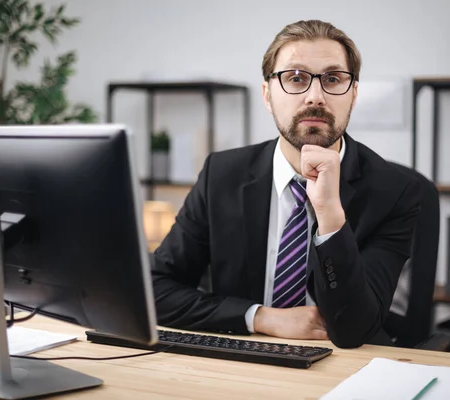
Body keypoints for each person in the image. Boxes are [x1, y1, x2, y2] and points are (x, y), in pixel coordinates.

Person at [150, 19, 421, 348]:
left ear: (353, 95)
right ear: (267, 94)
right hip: (243, 360)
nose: (315, 96)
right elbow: (155, 289)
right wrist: (260, 317)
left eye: (333, 79)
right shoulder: (221, 175)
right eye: (295, 78)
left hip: (344, 368)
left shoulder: (395, 191)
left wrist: (330, 216)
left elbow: (355, 331)